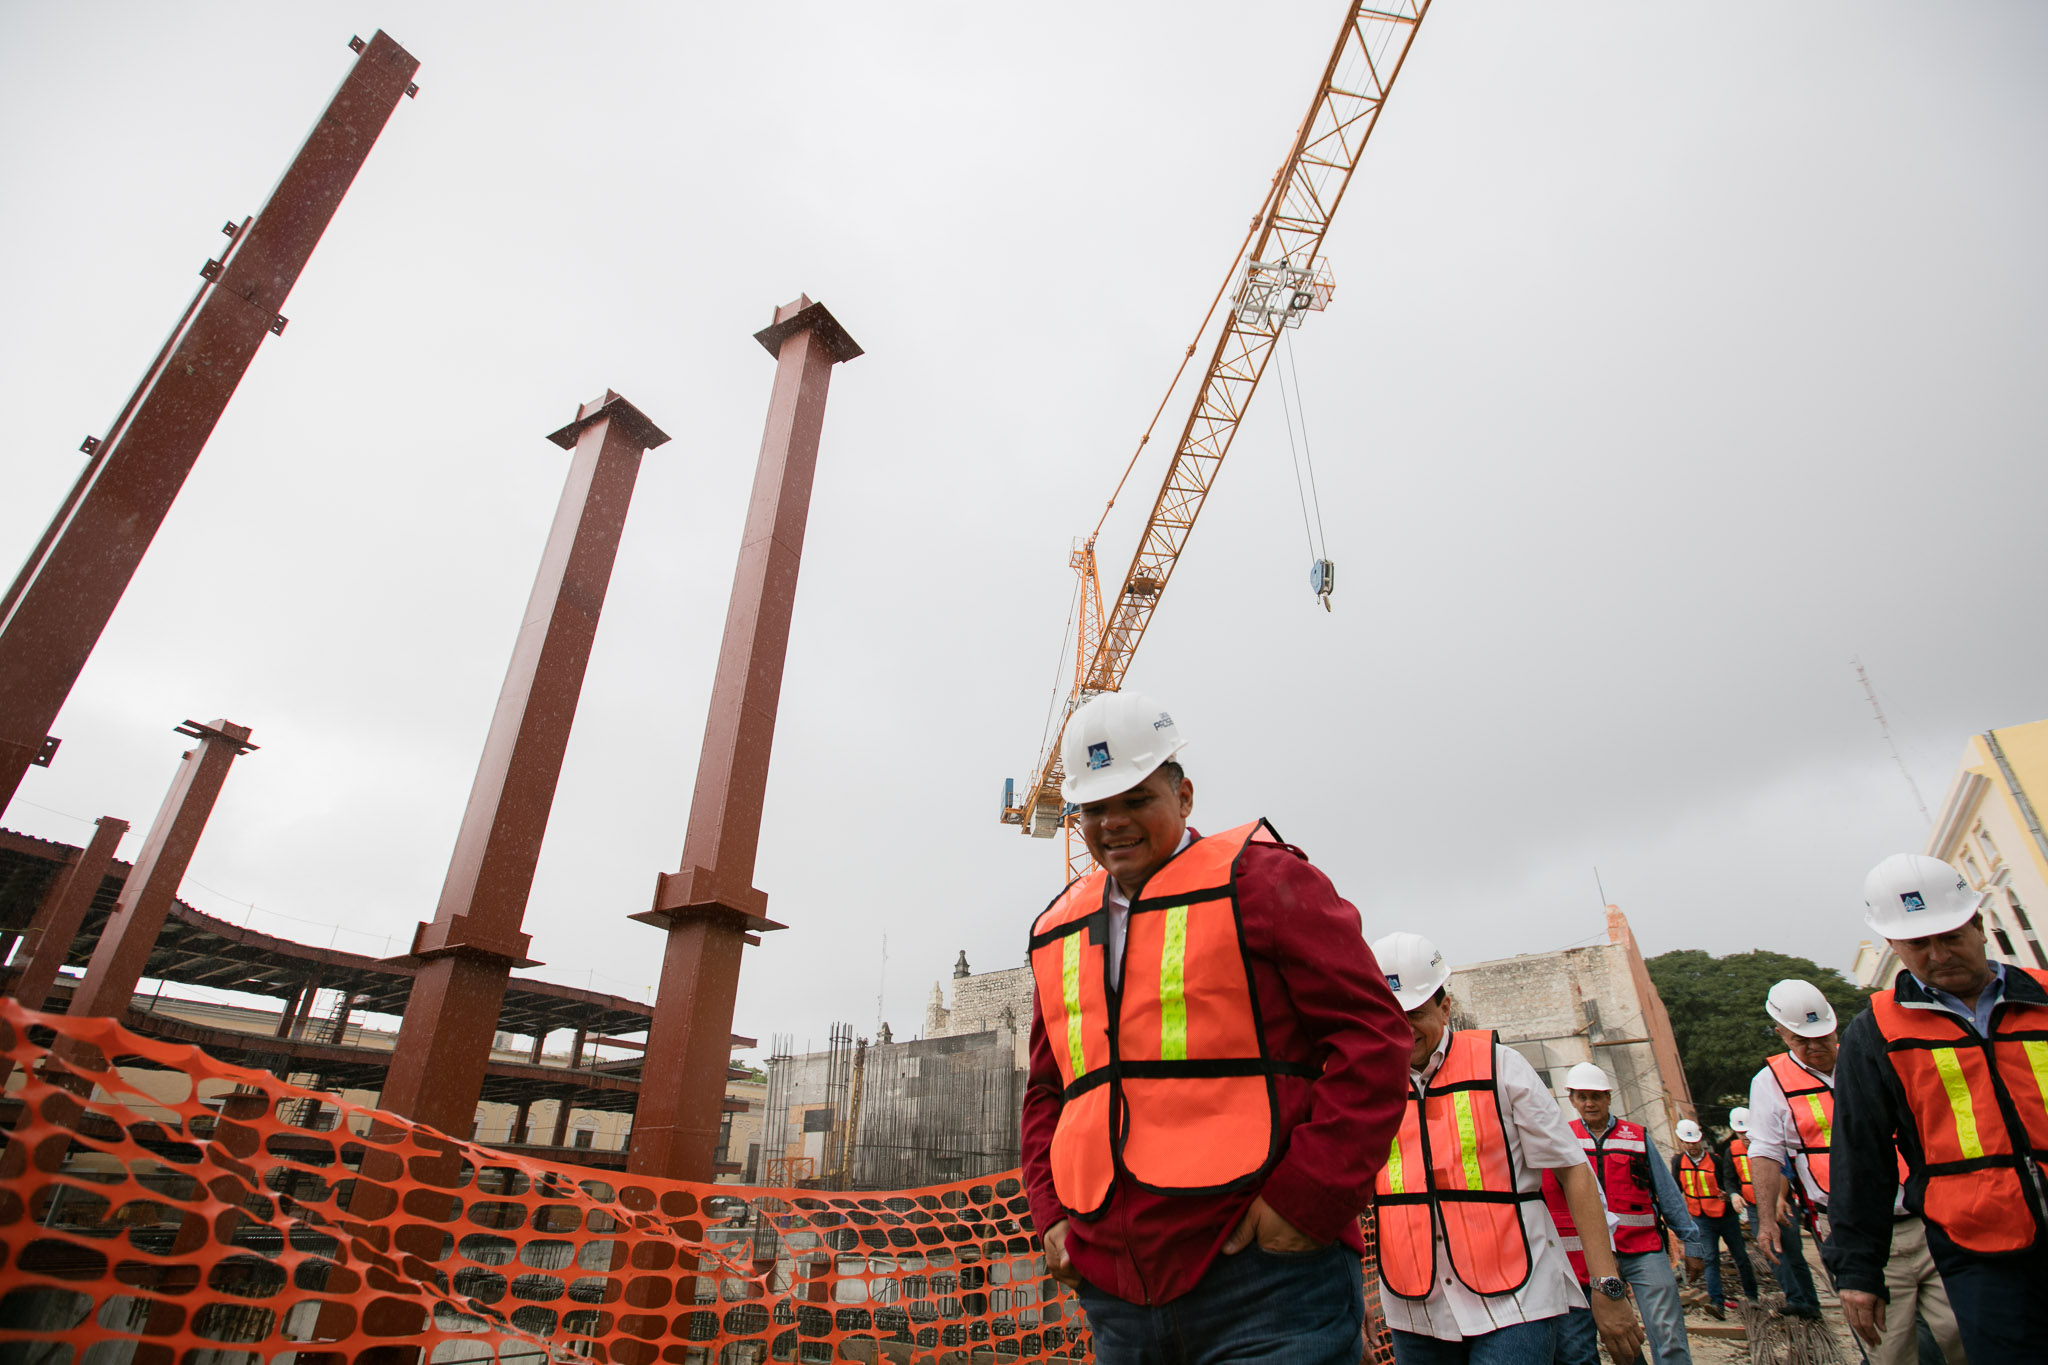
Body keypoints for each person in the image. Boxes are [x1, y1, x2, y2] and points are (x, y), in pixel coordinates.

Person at [1020, 692, 1412, 1365]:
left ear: (1185, 794)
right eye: (1095, 808)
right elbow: (1048, 1092)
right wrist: (1052, 1215)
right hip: (1116, 1288)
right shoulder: (1059, 929)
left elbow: (1372, 1040)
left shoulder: (1264, 881)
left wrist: (1307, 1198)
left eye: (1136, 798)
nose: (1113, 823)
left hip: (1267, 1282)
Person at [1369, 932, 1645, 1365]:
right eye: (1386, 1015)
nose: (1401, 1029)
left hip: (1514, 1303)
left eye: (1415, 1013)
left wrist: (1607, 1287)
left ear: (1444, 1007)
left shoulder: (1501, 1068)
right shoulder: (1366, 1088)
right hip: (1413, 1308)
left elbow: (1573, 1171)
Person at [1827, 853, 2043, 1362]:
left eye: (1950, 936)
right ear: (1894, 945)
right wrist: (1859, 1270)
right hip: (1980, 1251)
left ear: (1978, 925)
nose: (1938, 954)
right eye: (1918, 944)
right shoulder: (1876, 1033)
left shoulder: (2043, 999)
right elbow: (1861, 1156)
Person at [1748, 975, 1964, 1364]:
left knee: (1962, 1333)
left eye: (1823, 1035)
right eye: (1802, 1040)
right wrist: (1766, 1220)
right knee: (1889, 1346)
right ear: (1781, 1034)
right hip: (1853, 1230)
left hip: (1926, 1217)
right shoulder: (1770, 1083)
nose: (1816, 1047)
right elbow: (1766, 1151)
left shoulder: (1868, 1056)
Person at [1549, 1063, 1703, 1365]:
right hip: (1589, 1257)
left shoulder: (1636, 1137)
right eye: (1582, 1097)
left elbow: (1668, 1194)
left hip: (1642, 1249)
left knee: (1667, 1331)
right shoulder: (1562, 1139)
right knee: (1617, 1337)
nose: (1589, 1104)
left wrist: (1692, 1242)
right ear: (1572, 1100)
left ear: (1608, 1097)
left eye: (1596, 1096)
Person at [1672, 1117, 1757, 1317]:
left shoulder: (1716, 1160)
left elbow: (1730, 1181)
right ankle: (1716, 1302)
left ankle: (1752, 1296)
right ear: (1681, 1142)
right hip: (1701, 1218)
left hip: (1725, 1216)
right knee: (1710, 1258)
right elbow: (1676, 1188)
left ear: (1700, 1140)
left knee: (1741, 1257)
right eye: (1687, 1142)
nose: (1691, 1146)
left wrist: (1730, 1194)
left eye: (1694, 1142)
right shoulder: (1678, 1162)